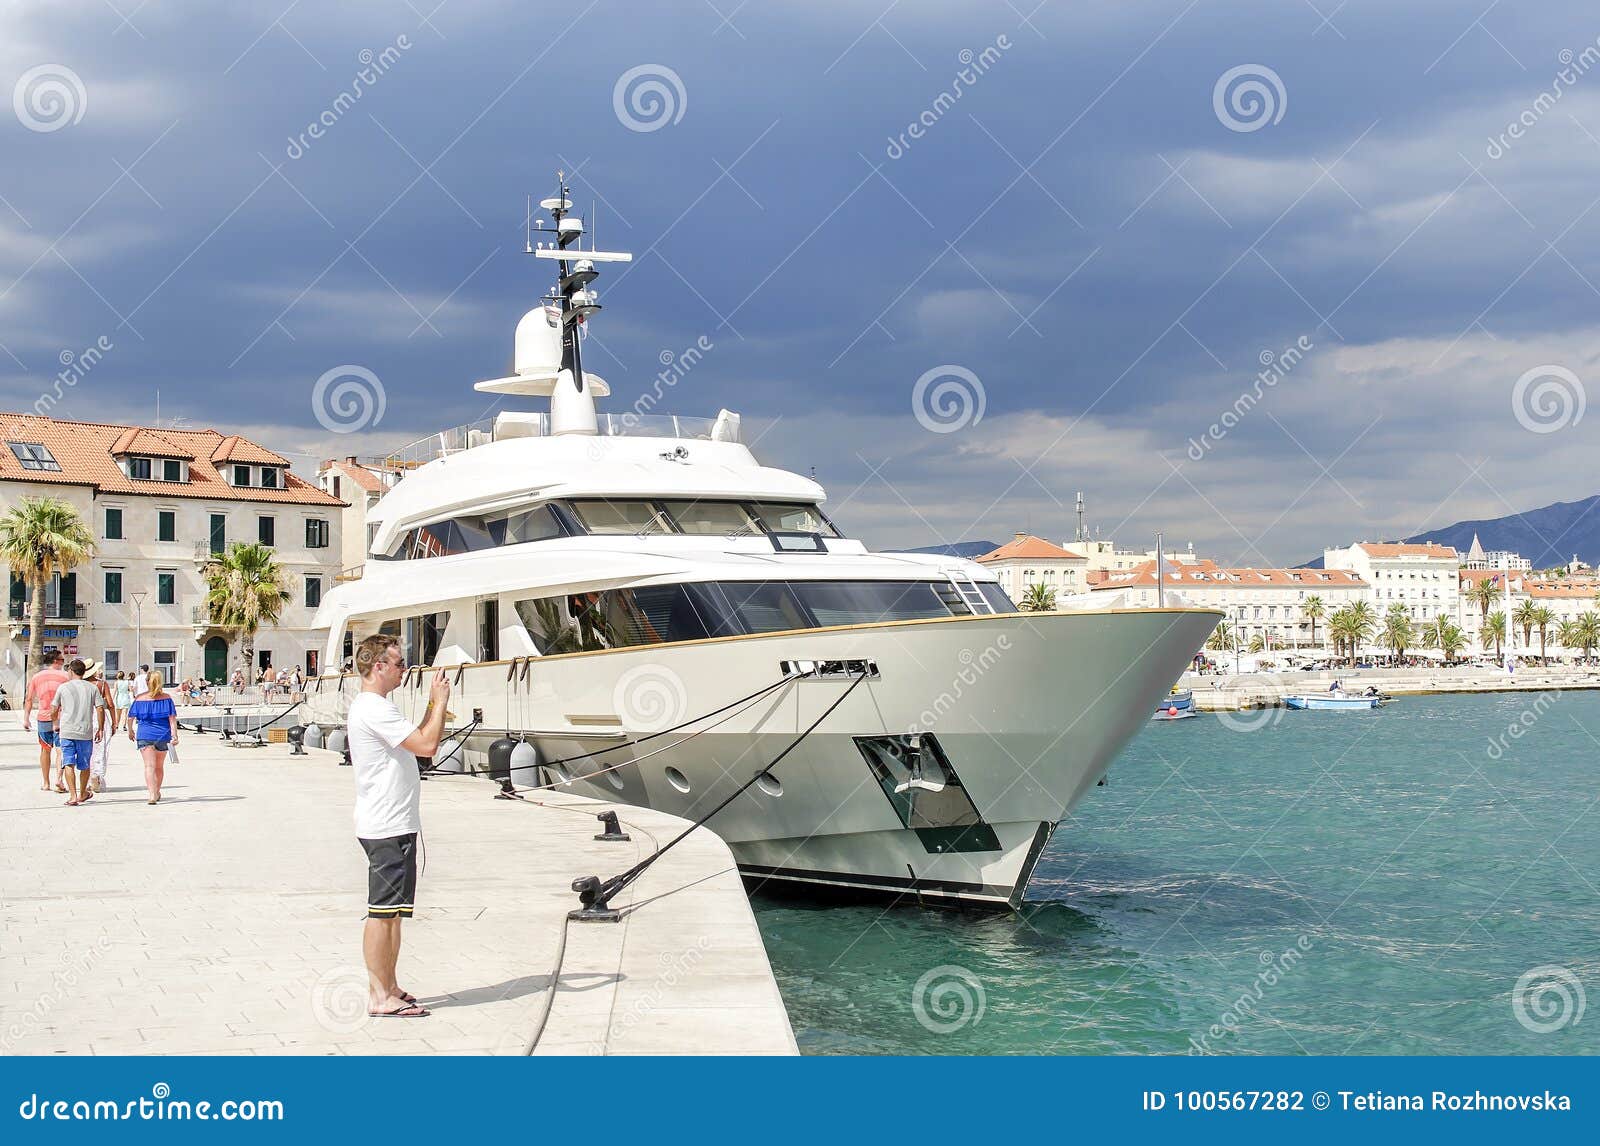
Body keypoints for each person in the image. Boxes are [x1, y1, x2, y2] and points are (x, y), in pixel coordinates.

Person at [347, 634, 449, 1019]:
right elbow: (427, 746)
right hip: (386, 825)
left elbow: (416, 739)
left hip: (394, 823)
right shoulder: (374, 708)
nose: (403, 669)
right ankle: (378, 995)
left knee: (394, 914)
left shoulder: (377, 707)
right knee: (381, 913)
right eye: (398, 663)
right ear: (379, 667)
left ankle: (389, 986)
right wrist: (439, 701)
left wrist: (431, 705)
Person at [50, 659, 106, 807]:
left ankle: (73, 796)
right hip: (85, 732)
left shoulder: (63, 687)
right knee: (85, 765)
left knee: (68, 763)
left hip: (67, 732)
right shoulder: (92, 688)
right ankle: (82, 793)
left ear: (71, 671)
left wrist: (55, 723)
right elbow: (100, 708)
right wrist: (100, 728)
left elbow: (54, 708)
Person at [125, 670, 178, 805]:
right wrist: (175, 735)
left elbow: (130, 718)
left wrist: (130, 731)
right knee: (159, 767)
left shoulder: (139, 699)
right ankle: (157, 791)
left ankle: (152, 794)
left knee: (149, 766)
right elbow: (172, 719)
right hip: (163, 735)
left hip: (145, 735)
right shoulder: (167, 698)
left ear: (146, 682)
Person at [22, 651, 71, 793]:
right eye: (62, 659)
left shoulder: (36, 677)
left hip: (43, 717)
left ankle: (45, 782)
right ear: (56, 661)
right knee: (61, 749)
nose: (63, 662)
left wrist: (26, 719)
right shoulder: (66, 677)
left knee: (45, 749)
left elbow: (29, 699)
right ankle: (59, 779)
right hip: (61, 717)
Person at [85, 660, 118, 794]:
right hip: (100, 717)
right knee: (101, 748)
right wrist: (114, 722)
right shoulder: (101, 684)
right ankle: (97, 776)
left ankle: (87, 778)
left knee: (87, 749)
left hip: (85, 716)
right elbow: (110, 704)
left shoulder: (81, 684)